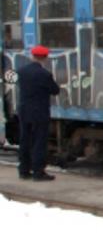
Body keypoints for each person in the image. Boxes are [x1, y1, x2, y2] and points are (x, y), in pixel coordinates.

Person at [17, 45, 61, 182]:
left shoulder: (21, 71)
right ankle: (38, 172)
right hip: (39, 113)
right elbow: (55, 90)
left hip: (24, 110)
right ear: (45, 58)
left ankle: (24, 171)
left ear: (32, 56)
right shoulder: (44, 74)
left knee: (25, 140)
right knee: (38, 142)